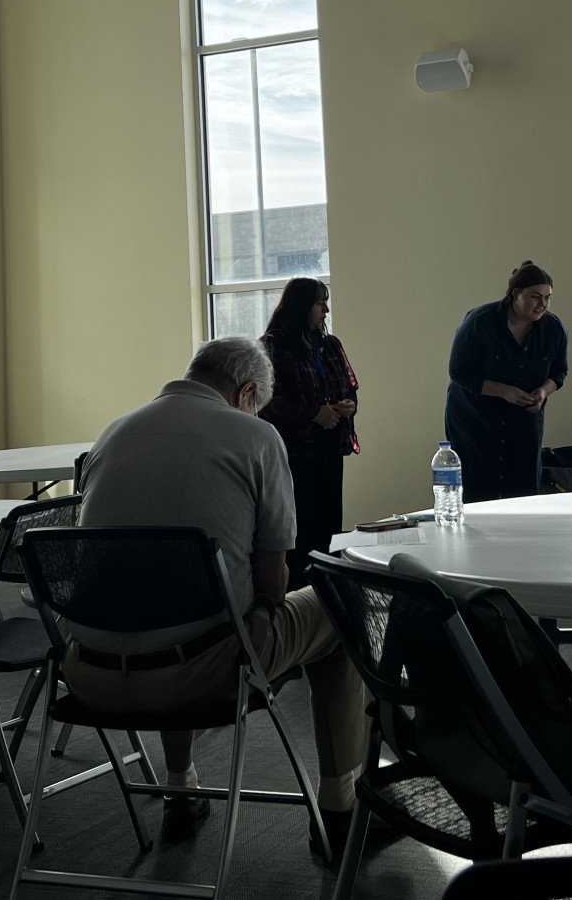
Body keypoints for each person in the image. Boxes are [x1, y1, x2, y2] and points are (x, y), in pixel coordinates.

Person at [64, 336, 371, 861]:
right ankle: (343, 813)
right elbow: (273, 578)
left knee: (169, 604)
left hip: (87, 675)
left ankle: (181, 788)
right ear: (246, 392)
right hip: (197, 675)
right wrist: (263, 609)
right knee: (341, 603)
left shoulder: (112, 433)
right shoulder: (256, 436)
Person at [259, 278, 359, 588]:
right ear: (301, 306)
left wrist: (348, 406)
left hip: (330, 449)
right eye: (319, 303)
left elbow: (350, 388)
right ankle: (298, 596)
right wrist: (315, 414)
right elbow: (266, 403)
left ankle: (326, 594)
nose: (326, 310)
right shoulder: (272, 346)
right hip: (295, 454)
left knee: (328, 529)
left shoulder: (330, 344)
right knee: (299, 531)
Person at [444, 261, 567, 503]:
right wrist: (503, 391)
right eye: (535, 296)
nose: (542, 304)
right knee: (478, 486)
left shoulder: (554, 329)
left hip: (524, 417)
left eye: (547, 298)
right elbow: (458, 372)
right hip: (474, 416)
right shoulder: (480, 321)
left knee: (523, 487)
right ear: (515, 294)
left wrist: (543, 392)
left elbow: (559, 373)